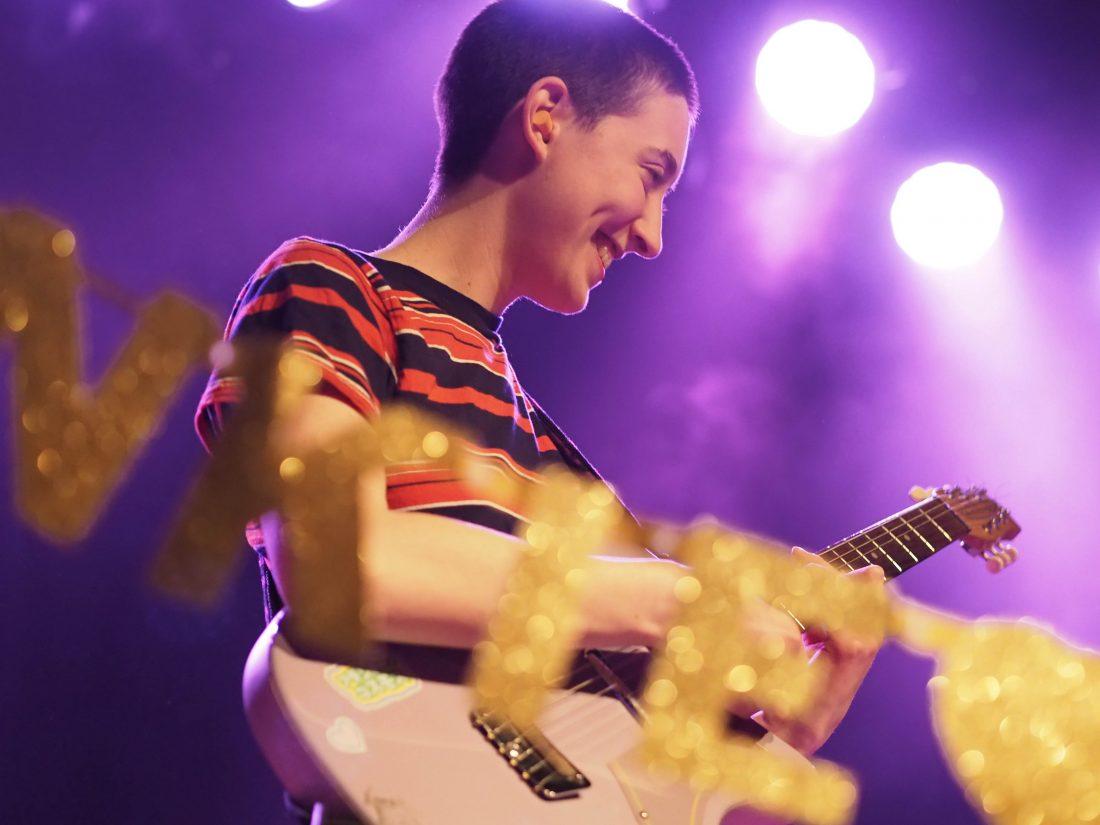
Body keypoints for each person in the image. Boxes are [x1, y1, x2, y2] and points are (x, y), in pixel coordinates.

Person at [195, 0, 883, 818]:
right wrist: (675, 598)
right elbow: (336, 558)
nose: (655, 234)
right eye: (652, 173)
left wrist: (789, 733)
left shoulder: (559, 467)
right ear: (547, 116)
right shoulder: (329, 287)